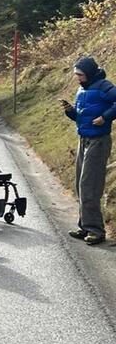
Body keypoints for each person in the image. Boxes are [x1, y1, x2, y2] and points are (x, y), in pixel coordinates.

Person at [62, 56, 116, 245]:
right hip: (83, 139)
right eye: (77, 74)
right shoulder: (81, 90)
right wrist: (70, 111)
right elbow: (80, 117)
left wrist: (106, 117)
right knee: (80, 184)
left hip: (98, 141)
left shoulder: (103, 86)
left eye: (80, 74)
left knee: (89, 186)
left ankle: (96, 230)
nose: (78, 78)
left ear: (90, 73)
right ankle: (85, 226)